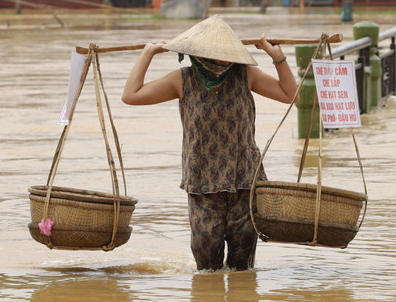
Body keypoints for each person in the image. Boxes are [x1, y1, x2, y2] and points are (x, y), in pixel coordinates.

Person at [121, 15, 296, 271]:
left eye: (227, 52)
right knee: (207, 268)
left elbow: (291, 95)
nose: (223, 59)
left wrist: (277, 57)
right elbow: (130, 95)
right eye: (216, 53)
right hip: (202, 184)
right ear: (200, 52)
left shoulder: (245, 74)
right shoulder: (182, 80)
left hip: (245, 182)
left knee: (242, 268)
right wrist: (148, 54)